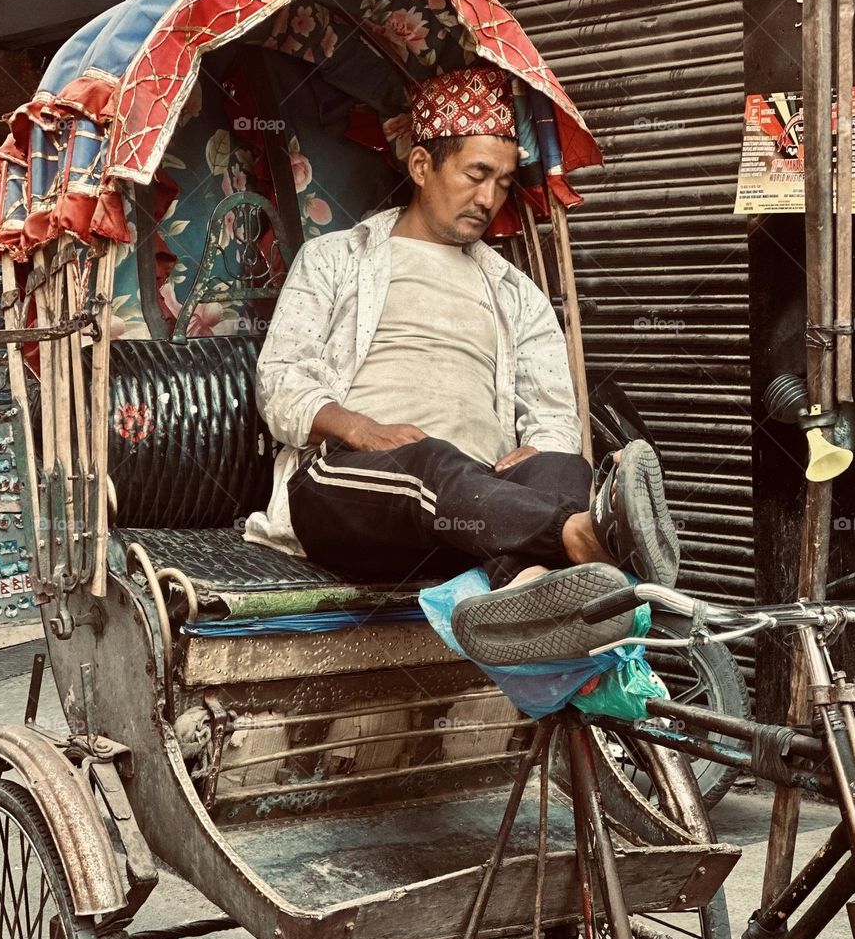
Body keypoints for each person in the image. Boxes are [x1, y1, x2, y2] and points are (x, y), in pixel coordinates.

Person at [244, 65, 679, 661]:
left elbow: (555, 413)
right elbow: (280, 379)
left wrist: (540, 447)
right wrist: (357, 427)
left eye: (503, 182)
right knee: (434, 461)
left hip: (478, 506)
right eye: (476, 175)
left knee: (562, 465)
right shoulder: (335, 258)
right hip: (351, 489)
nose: (489, 198)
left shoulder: (515, 291)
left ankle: (528, 587)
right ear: (422, 166)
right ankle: (585, 535)